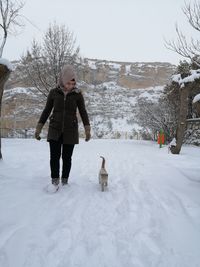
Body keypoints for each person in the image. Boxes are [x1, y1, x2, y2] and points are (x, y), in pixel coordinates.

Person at [34, 65, 91, 188]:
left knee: (67, 158)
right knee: (54, 157)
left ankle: (65, 181)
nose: (70, 85)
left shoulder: (77, 94)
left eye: (72, 83)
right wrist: (39, 127)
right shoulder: (53, 93)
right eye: (68, 83)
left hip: (70, 130)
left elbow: (83, 112)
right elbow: (46, 110)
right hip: (55, 129)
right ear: (62, 80)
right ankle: (55, 181)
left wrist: (87, 129)